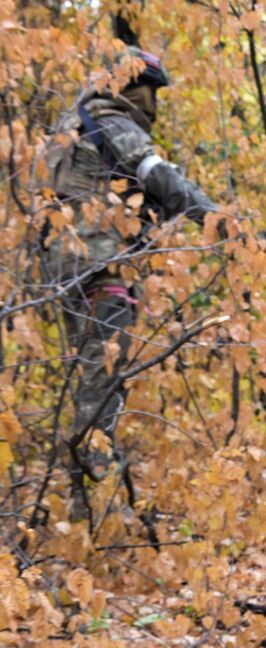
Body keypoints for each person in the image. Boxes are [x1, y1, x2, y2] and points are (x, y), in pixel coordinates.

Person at [39, 47, 225, 514]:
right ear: (131, 87)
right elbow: (159, 177)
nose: (153, 106)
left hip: (67, 271)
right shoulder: (111, 123)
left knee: (91, 383)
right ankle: (96, 510)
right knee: (102, 390)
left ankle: (92, 502)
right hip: (102, 268)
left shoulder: (70, 127)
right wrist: (220, 223)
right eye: (150, 93)